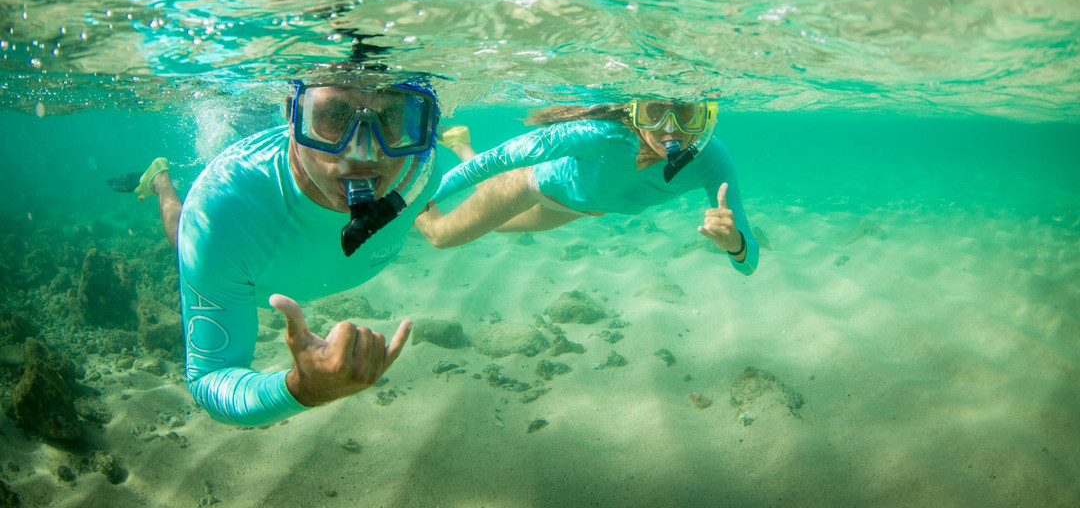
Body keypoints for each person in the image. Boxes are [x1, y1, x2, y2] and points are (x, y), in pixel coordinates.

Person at [126, 66, 441, 426]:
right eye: (335, 115)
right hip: (243, 250)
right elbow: (208, 378)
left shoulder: (421, 166)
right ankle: (161, 182)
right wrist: (301, 389)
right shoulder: (220, 212)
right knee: (181, 238)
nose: (365, 153)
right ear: (293, 113)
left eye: (390, 115)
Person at [416, 99, 758, 275]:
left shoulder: (713, 159)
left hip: (577, 208)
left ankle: (460, 143)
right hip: (530, 186)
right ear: (635, 111)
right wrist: (419, 199)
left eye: (686, 114)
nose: (670, 130)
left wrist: (734, 244)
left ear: (706, 116)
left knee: (496, 225)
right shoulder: (603, 134)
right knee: (442, 235)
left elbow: (749, 263)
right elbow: (497, 160)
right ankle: (410, 187)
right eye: (654, 112)